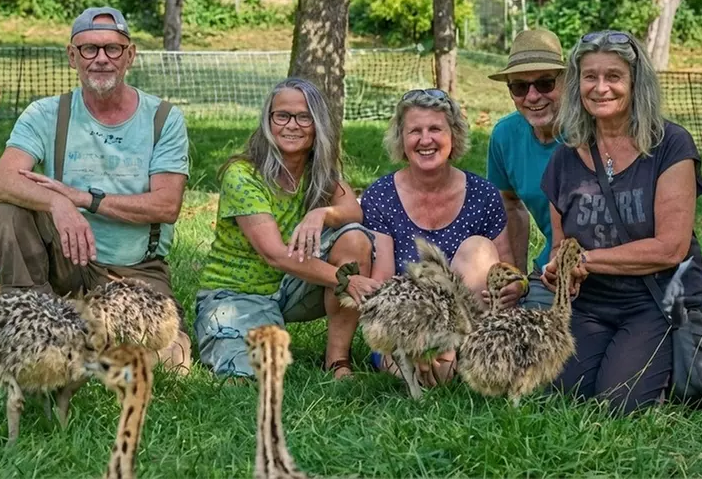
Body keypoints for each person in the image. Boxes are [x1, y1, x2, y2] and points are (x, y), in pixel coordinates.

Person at [0, 6, 192, 374]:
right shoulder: (45, 113)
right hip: (65, 264)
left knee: (167, 360)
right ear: (72, 56)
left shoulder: (163, 118)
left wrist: (84, 199)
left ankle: (83, 340)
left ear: (130, 56)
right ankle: (31, 320)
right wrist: (57, 203)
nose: (101, 59)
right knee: (11, 209)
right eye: (89, 49)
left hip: (133, 271)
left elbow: (167, 204)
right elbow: (2, 180)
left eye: (112, 49)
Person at [540, 30, 702, 414]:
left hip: (652, 299)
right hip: (588, 303)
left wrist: (585, 261)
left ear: (636, 83)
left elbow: (671, 248)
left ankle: (666, 360)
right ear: (576, 84)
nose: (600, 88)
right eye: (590, 77)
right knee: (560, 394)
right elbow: (559, 244)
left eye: (613, 76)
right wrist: (559, 270)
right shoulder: (564, 159)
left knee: (619, 403)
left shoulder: (670, 145)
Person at [194, 78, 380, 380]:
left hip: (293, 286)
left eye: (303, 117)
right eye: (282, 115)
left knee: (354, 237)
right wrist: (349, 282)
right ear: (268, 121)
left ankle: (337, 362)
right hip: (237, 294)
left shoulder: (316, 169)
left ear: (317, 124)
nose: (292, 125)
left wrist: (321, 213)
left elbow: (353, 210)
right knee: (253, 374)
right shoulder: (242, 174)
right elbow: (275, 255)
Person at [360, 89, 511, 385]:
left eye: (435, 129)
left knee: (478, 249)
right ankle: (432, 368)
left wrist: (512, 288)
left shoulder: (484, 195)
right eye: (415, 131)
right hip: (407, 328)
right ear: (401, 140)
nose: (425, 139)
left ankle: (455, 361)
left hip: (468, 327)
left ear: (453, 136)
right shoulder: (380, 196)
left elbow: (506, 274)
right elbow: (382, 284)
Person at [486, 28, 567, 311]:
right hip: (552, 271)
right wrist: (516, 276)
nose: (532, 96)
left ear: (566, 81)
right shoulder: (505, 135)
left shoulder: (589, 131)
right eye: (519, 87)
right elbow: (509, 202)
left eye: (545, 83)